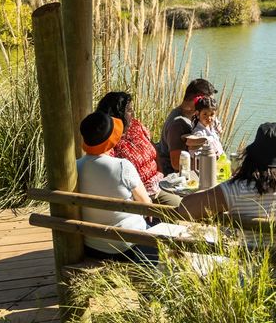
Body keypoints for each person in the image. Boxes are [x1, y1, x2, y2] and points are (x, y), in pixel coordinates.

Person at [175, 122, 276, 237]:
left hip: (246, 265)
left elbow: (185, 208)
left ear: (252, 156)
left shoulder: (240, 188)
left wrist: (232, 181)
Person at [76, 111, 159, 264]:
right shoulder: (122, 166)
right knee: (158, 222)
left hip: (92, 246)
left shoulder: (76, 167)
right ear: (111, 139)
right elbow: (146, 205)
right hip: (128, 247)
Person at [96, 91, 166, 197]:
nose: (132, 113)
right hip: (138, 195)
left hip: (158, 184)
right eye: (128, 110)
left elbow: (153, 149)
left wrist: (160, 173)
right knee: (181, 208)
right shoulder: (108, 138)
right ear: (117, 113)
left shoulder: (136, 125)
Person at [156, 78, 217, 175]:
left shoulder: (194, 117)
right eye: (208, 100)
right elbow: (176, 164)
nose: (210, 104)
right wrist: (209, 163)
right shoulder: (178, 123)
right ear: (198, 99)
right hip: (173, 177)